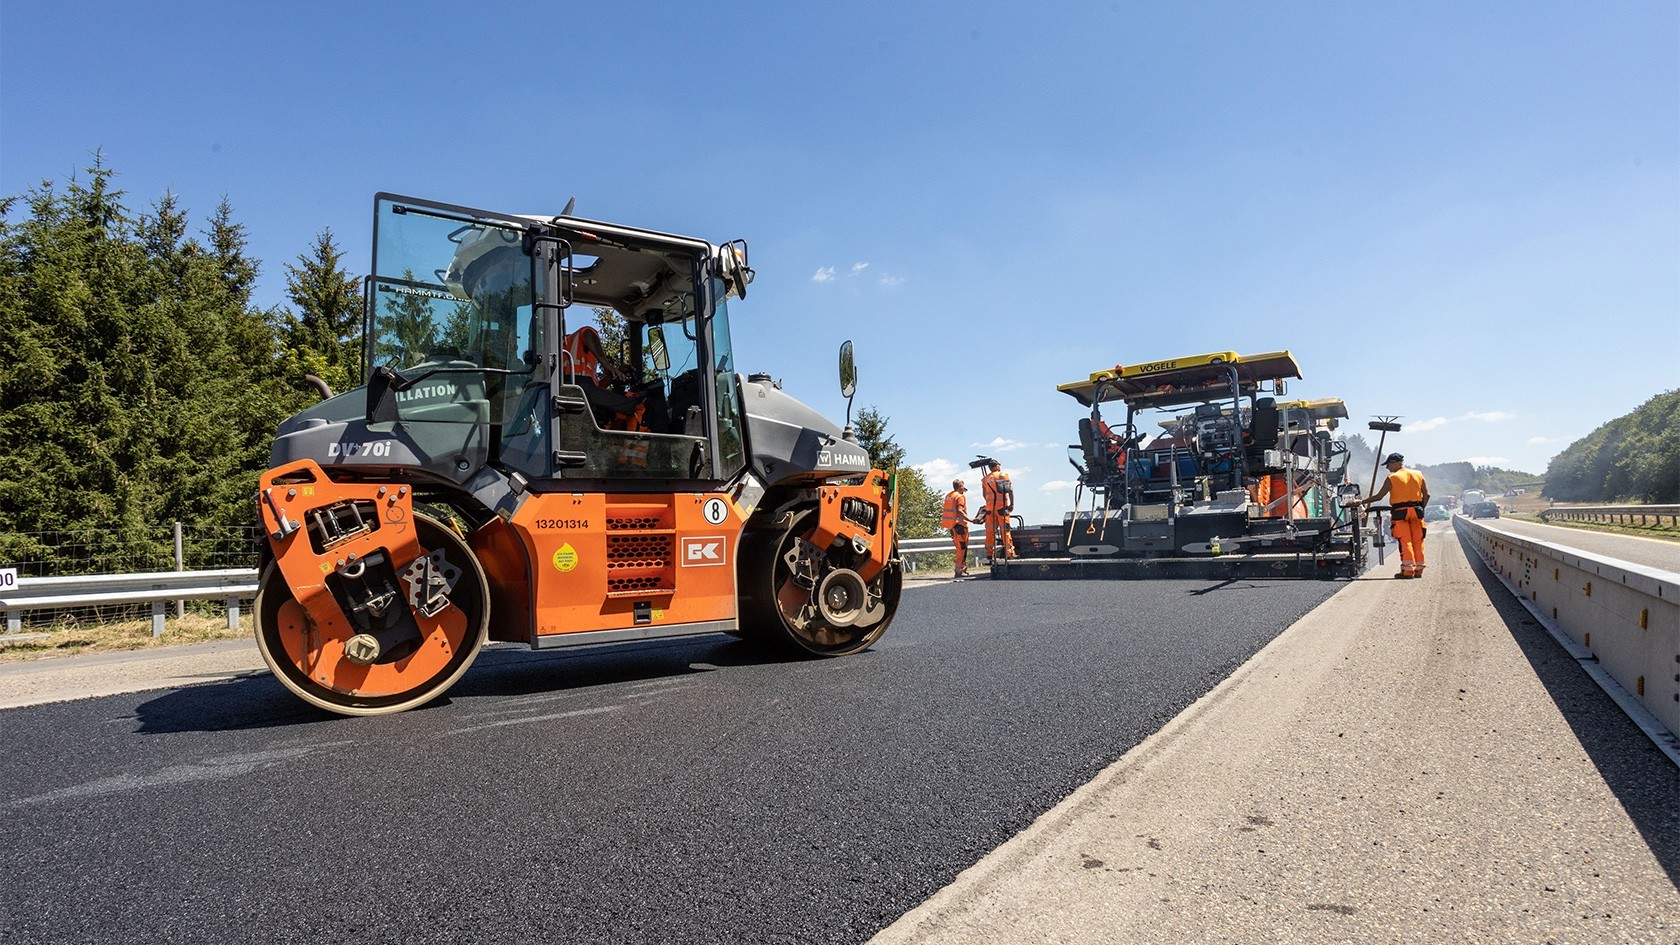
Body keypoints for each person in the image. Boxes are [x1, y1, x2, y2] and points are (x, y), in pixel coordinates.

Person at [1360, 452, 1430, 579]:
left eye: (1388, 465)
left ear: (1396, 463)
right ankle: (1419, 570)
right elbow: (1427, 494)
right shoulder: (1418, 474)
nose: (1387, 468)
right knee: (1418, 540)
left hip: (1400, 513)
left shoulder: (1392, 478)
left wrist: (1361, 502)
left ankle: (1408, 571)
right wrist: (1421, 509)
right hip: (1417, 511)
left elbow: (1379, 496)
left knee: (1405, 541)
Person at [975, 459, 1016, 562]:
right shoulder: (1002, 475)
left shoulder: (985, 479)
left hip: (989, 509)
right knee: (1005, 531)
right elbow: (1010, 490)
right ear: (997, 466)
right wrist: (1011, 504)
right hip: (1002, 508)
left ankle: (989, 554)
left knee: (990, 532)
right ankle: (1009, 553)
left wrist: (990, 503)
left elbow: (984, 494)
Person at [941, 479, 972, 577]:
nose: (964, 490)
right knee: (962, 548)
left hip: (952, 526)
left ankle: (961, 568)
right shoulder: (960, 496)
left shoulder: (949, 496)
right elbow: (959, 511)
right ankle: (959, 570)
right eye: (963, 488)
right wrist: (971, 520)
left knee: (960, 547)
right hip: (960, 526)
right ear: (960, 486)